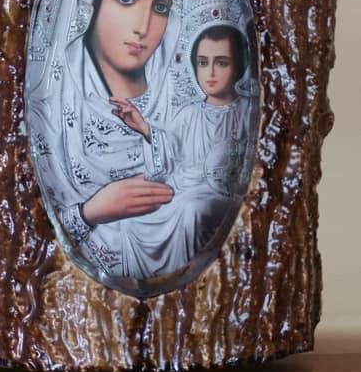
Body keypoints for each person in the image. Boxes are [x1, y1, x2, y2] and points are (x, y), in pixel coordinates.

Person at [26, 0, 255, 285]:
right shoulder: (51, 106)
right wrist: (90, 213)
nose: (144, 26)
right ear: (91, 3)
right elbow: (41, 225)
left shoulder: (183, 101)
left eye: (160, 7)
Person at [110, 22, 256, 263]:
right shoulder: (189, 114)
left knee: (191, 211)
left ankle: (191, 276)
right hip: (181, 190)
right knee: (129, 222)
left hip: (217, 195)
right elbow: (170, 153)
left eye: (221, 63)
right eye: (203, 63)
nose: (210, 72)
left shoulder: (247, 110)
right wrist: (143, 127)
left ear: (238, 67)